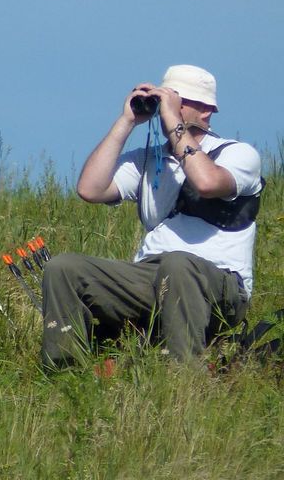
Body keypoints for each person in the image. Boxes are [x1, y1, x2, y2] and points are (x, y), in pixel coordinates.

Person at [42, 64, 264, 367]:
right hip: (154, 276)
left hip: (220, 285)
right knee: (63, 267)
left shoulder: (238, 154)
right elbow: (90, 190)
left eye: (177, 100)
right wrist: (126, 121)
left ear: (206, 110)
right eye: (163, 100)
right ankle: (66, 371)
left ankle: (181, 377)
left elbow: (207, 183)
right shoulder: (148, 160)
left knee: (177, 262)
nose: (166, 108)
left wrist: (174, 122)